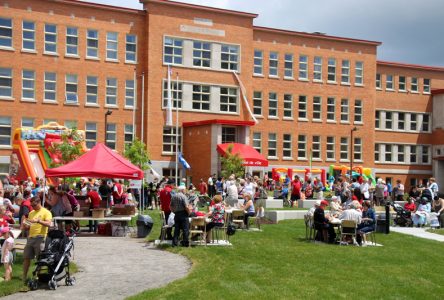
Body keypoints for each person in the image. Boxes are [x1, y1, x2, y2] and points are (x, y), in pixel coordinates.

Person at [21, 196, 52, 282]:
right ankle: (24, 276)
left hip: (41, 237)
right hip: (31, 237)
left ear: (39, 203)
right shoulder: (31, 213)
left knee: (39, 258)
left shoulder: (46, 212)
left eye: (34, 205)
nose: (33, 207)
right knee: (26, 257)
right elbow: (29, 225)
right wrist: (25, 225)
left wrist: (39, 221)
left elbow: (49, 224)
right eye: (32, 205)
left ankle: (38, 276)